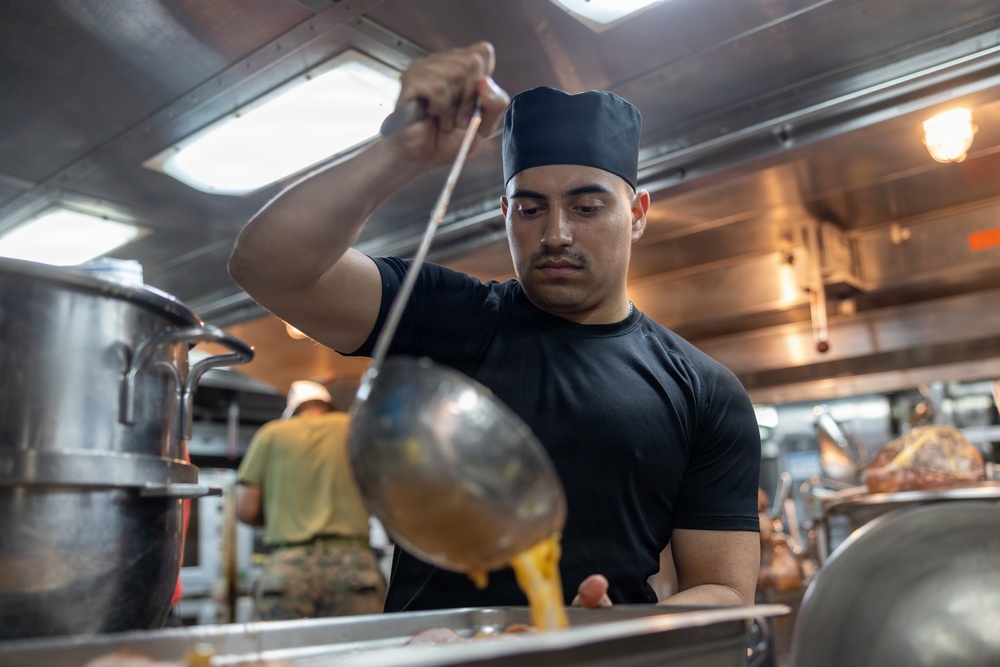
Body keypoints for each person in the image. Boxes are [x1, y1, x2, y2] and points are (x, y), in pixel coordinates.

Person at [229, 41, 761, 611]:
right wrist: (399, 155)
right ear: (506, 215)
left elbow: (726, 589)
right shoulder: (450, 316)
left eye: (586, 208)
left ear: (636, 215)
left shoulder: (704, 391)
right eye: (530, 209)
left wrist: (619, 631)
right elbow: (266, 268)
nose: (556, 233)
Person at [236, 380, 387, 620]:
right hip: (353, 567)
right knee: (359, 655)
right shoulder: (355, 429)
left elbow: (246, 510)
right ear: (329, 406)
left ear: (294, 410)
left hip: (288, 568)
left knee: (282, 657)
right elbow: (386, 498)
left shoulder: (271, 433)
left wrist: (283, 513)